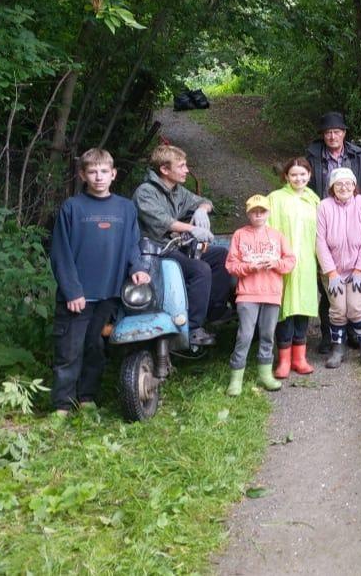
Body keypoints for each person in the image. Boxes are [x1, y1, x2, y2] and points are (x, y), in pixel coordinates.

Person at [49, 148, 150, 416]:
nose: (98, 177)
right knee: (69, 351)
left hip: (109, 295)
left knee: (95, 348)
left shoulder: (126, 208)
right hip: (78, 297)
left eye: (104, 171)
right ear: (82, 175)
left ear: (113, 174)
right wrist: (72, 291)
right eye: (92, 172)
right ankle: (62, 405)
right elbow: (60, 253)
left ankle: (87, 398)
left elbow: (132, 245)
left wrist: (137, 268)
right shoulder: (72, 208)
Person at [133, 144, 231, 346]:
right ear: (164, 169)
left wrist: (202, 209)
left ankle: (215, 310)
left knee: (220, 255)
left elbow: (205, 200)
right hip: (156, 251)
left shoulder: (177, 191)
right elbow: (163, 221)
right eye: (181, 166)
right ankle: (193, 327)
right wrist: (192, 229)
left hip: (175, 246)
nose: (186, 170)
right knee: (199, 269)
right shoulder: (145, 192)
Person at [305, 111, 361, 353]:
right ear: (323, 135)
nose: (332, 136)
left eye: (336, 132)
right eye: (328, 133)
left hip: (355, 219)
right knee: (329, 290)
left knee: (357, 292)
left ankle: (357, 335)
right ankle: (330, 338)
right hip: (326, 219)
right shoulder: (312, 156)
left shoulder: (360, 156)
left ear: (344, 133)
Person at [223, 194, 294, 395]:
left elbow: (290, 261)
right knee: (245, 335)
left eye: (262, 211)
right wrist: (249, 267)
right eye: (254, 212)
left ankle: (265, 374)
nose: (258, 215)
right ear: (248, 214)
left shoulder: (277, 236)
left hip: (272, 293)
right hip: (247, 294)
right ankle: (236, 378)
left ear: (268, 213)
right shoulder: (239, 235)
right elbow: (231, 265)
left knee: (267, 334)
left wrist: (276, 263)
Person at [316, 167, 361, 367]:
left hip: (358, 268)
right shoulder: (324, 207)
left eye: (348, 183)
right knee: (338, 310)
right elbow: (320, 241)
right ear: (332, 187)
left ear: (354, 185)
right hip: (333, 270)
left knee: (356, 307)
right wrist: (331, 272)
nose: (344, 187)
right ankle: (338, 349)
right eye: (338, 184)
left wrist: (360, 269)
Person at [267, 157, 320, 378]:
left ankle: (300, 358)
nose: (298, 178)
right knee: (284, 310)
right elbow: (267, 229)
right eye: (294, 174)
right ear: (286, 176)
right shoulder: (275, 198)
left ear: (309, 175)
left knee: (303, 309)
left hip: (306, 262)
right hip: (283, 262)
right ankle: (284, 360)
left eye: (302, 174)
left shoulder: (314, 200)